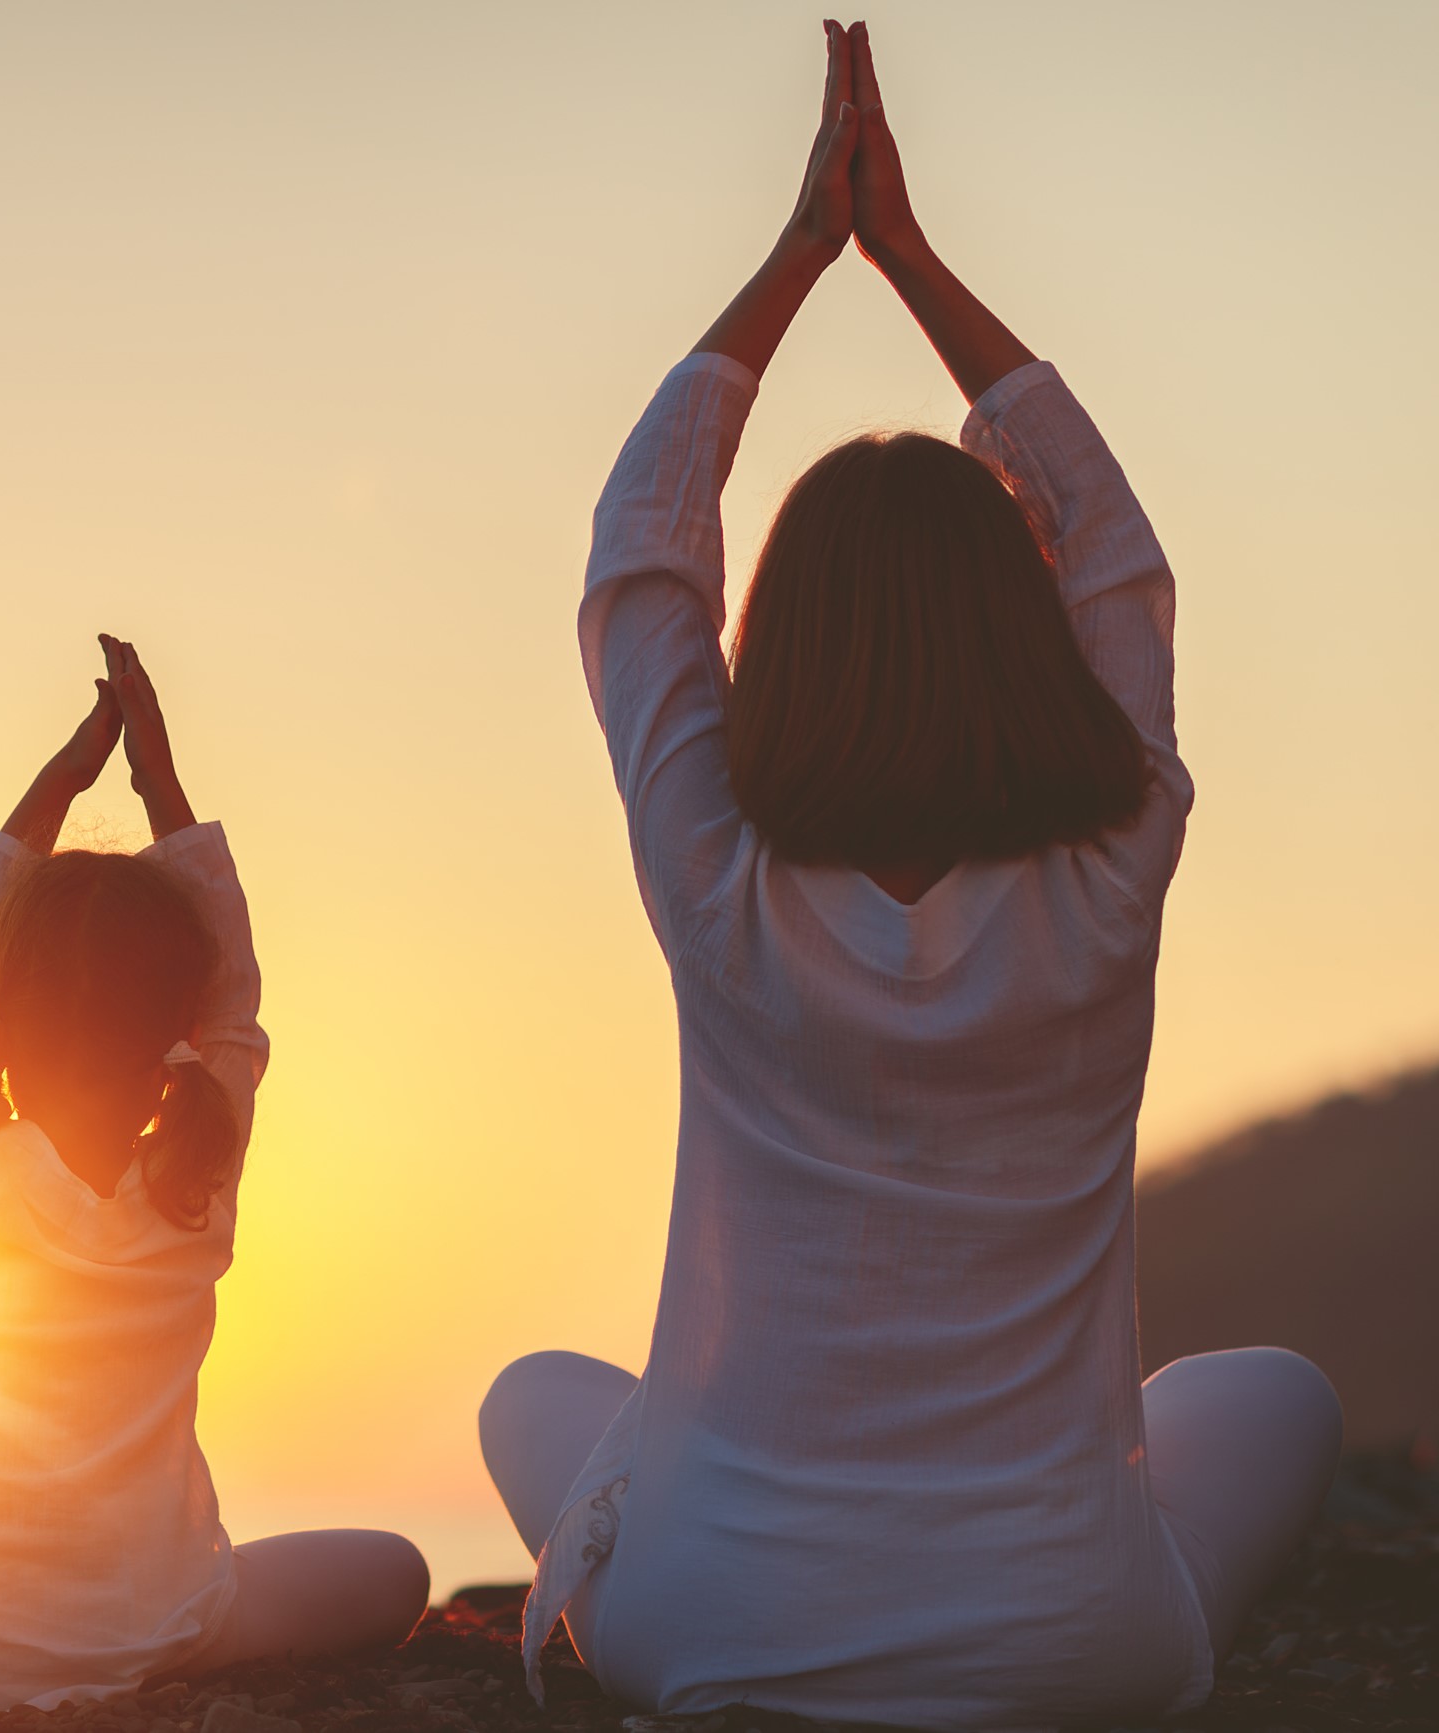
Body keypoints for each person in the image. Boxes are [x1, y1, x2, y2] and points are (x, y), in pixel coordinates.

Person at [476, 22, 1340, 1729]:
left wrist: (801, 254)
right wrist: (916, 265)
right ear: (1024, 639)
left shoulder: (715, 874)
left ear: (774, 649)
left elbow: (639, 558)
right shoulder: (1113, 867)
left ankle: (693, 1522)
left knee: (536, 1394)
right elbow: (1121, 558)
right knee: (1277, 1396)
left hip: (708, 1628)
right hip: (1071, 1646)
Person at [0, 636, 427, 1720]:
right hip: (158, 1634)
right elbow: (236, 998)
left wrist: (59, 778)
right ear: (173, 1037)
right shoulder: (187, 1193)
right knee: (393, 1571)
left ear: (1, 1036)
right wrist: (157, 779)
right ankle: (112, 1649)